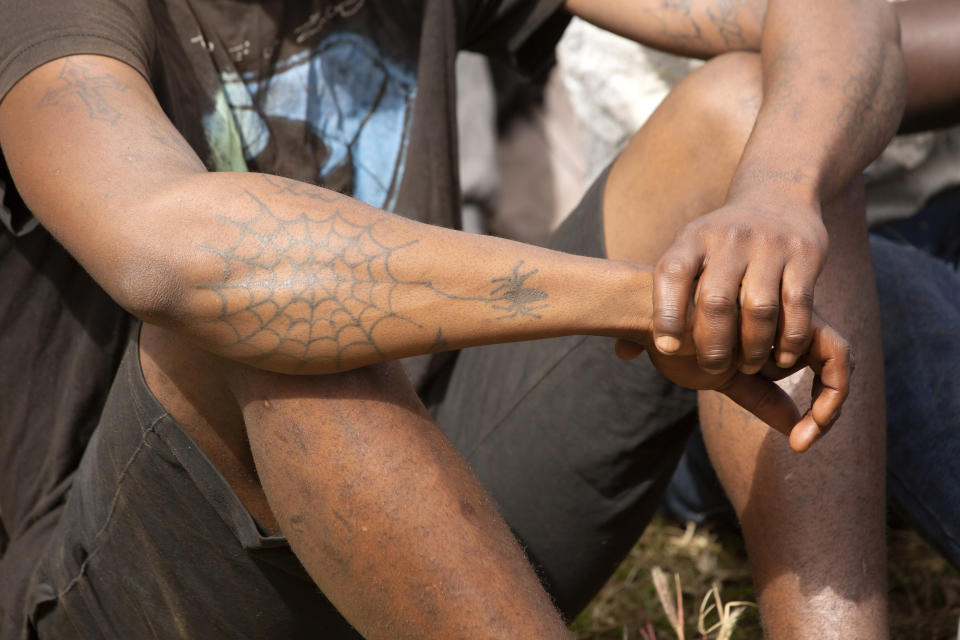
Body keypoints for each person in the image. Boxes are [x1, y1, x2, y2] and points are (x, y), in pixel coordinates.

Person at [0, 1, 902, 638]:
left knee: (755, 118)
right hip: (131, 579)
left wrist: (780, 189)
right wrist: (645, 301)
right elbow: (172, 255)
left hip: (424, 515)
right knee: (281, 307)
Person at [662, 0, 960, 575]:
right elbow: (836, 50)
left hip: (934, 212)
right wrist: (779, 189)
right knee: (815, 158)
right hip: (729, 317)